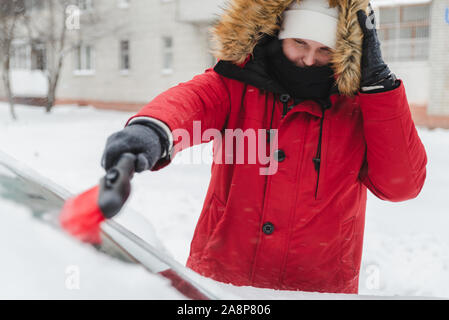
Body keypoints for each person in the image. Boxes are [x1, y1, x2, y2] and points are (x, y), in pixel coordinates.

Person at [101, 0, 427, 294]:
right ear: (278, 34)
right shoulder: (237, 84)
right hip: (225, 284)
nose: (309, 60)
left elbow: (402, 185)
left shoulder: (358, 107)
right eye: (299, 42)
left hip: (318, 289)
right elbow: (192, 103)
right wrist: (153, 130)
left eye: (325, 50)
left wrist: (381, 89)